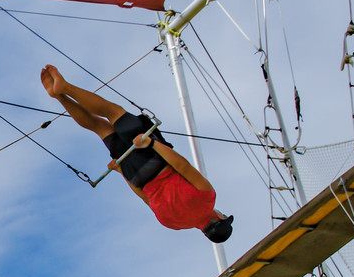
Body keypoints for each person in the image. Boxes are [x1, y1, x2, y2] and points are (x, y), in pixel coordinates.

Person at [40, 64, 233, 243]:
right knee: (100, 128)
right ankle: (58, 96)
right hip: (135, 173)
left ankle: (65, 88)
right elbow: (144, 197)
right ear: (204, 232)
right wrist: (121, 171)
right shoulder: (174, 224)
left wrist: (151, 143)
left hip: (155, 159)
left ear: (219, 218)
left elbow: (183, 166)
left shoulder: (207, 197)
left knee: (113, 112)